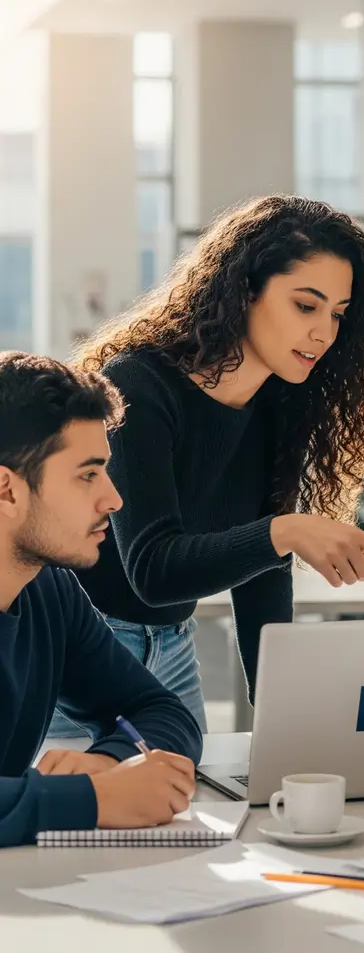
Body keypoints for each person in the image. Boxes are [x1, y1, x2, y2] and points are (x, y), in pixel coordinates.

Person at [51, 195, 364, 738]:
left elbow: (263, 577)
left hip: (171, 646)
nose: (325, 333)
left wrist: (283, 722)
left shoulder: (277, 404)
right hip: (81, 648)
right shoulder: (138, 388)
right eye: (306, 306)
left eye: (337, 314)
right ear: (244, 292)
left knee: (193, 814)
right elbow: (154, 569)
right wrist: (283, 531)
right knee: (84, 820)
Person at [0, 352, 202, 847]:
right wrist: (96, 800)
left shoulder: (49, 590)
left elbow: (160, 710)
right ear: (6, 490)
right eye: (88, 474)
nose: (114, 499)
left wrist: (108, 762)